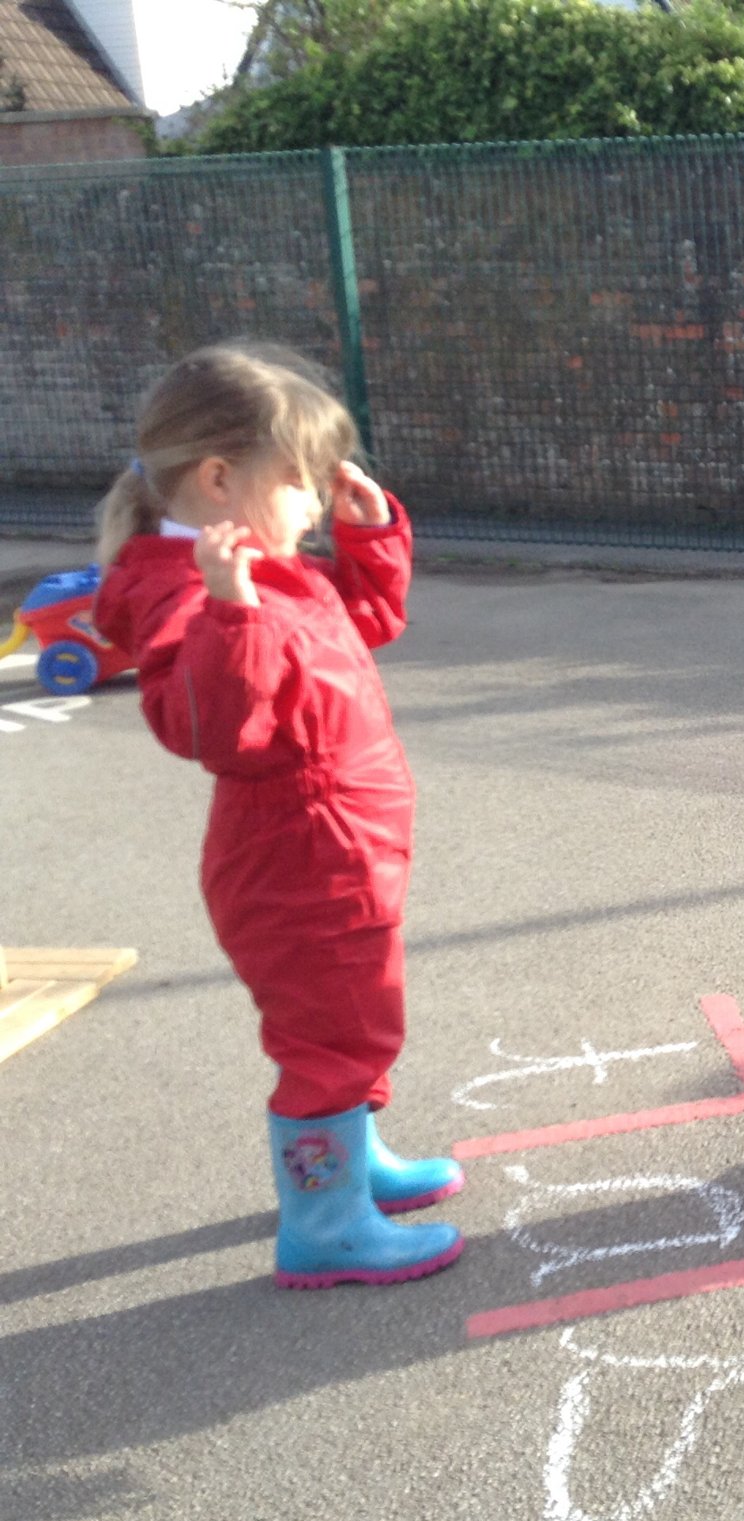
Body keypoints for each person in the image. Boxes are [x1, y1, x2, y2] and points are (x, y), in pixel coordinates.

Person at [94, 343, 464, 1288]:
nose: (311, 504)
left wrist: (367, 540)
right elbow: (212, 729)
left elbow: (359, 626)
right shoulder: (196, 592)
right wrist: (233, 615)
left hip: (345, 840)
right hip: (300, 858)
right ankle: (324, 1225)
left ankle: (356, 1160)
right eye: (300, 485)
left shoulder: (262, 564)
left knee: (356, 1017)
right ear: (220, 480)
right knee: (330, 1034)